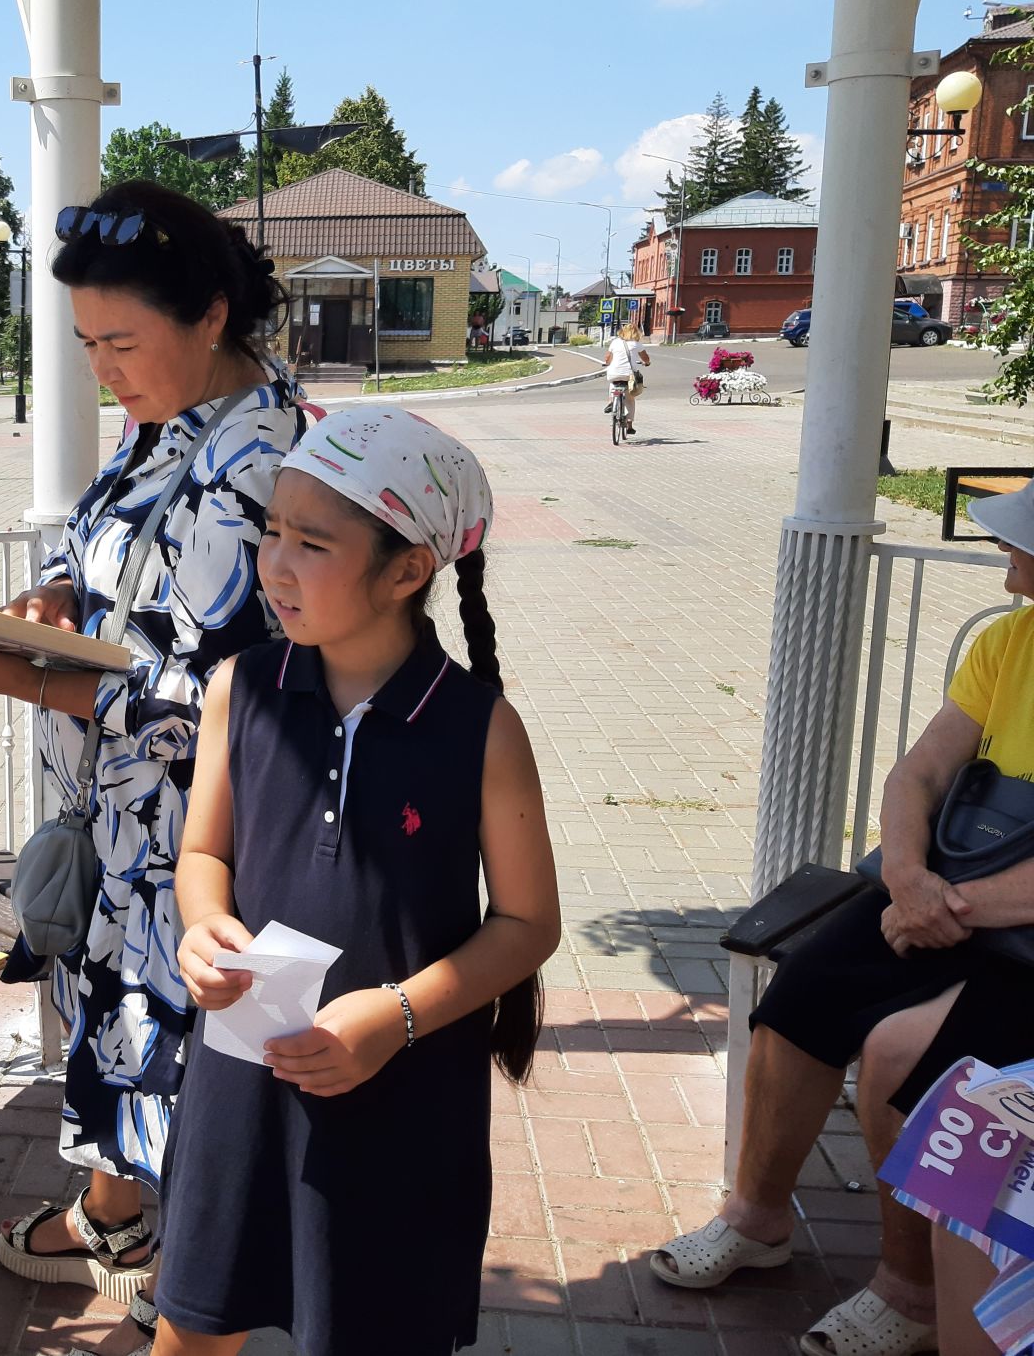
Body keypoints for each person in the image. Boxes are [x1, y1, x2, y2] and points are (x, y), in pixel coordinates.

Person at [0, 179, 306, 1356]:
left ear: (213, 315)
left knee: (192, 1055)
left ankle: (197, 1301)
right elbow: (108, 560)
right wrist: (55, 599)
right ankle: (122, 1219)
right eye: (88, 346)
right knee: (129, 1027)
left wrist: (25, 676)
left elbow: (217, 695)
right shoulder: (173, 425)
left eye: (122, 343)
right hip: (129, 823)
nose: (105, 371)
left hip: (201, 835)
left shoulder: (259, 462)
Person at [153, 408, 561, 1356]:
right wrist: (203, 923)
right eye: (272, 532)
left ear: (407, 570)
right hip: (241, 1077)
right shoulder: (239, 688)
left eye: (313, 542)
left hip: (403, 1097)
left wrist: (398, 1016)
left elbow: (527, 922)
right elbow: (205, 855)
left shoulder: (481, 729)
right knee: (195, 1324)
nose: (275, 564)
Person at [650, 479, 1034, 1356]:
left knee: (904, 1057)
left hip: (995, 923)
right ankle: (756, 1218)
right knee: (803, 996)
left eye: (1022, 543)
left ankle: (910, 1291)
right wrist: (905, 879)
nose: (1009, 557)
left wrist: (946, 905)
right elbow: (918, 775)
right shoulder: (1011, 641)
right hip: (946, 898)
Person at [603, 320, 650, 433]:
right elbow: (646, 358)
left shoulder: (615, 342)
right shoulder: (637, 344)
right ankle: (629, 425)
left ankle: (611, 402)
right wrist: (647, 363)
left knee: (613, 383)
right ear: (636, 333)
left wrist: (608, 363)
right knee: (630, 399)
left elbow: (607, 358)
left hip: (614, 373)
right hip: (629, 375)